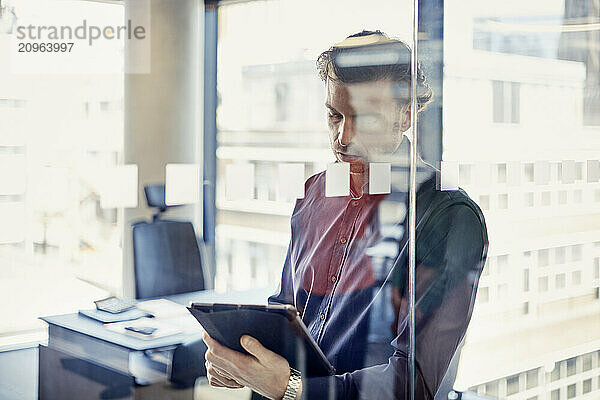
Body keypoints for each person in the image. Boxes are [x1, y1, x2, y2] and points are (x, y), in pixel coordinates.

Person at [202, 30, 488, 400]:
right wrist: (241, 358)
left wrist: (291, 389)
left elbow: (414, 385)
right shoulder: (315, 194)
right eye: (334, 115)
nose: (342, 137)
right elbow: (288, 314)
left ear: (405, 114)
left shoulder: (448, 217)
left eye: (363, 119)